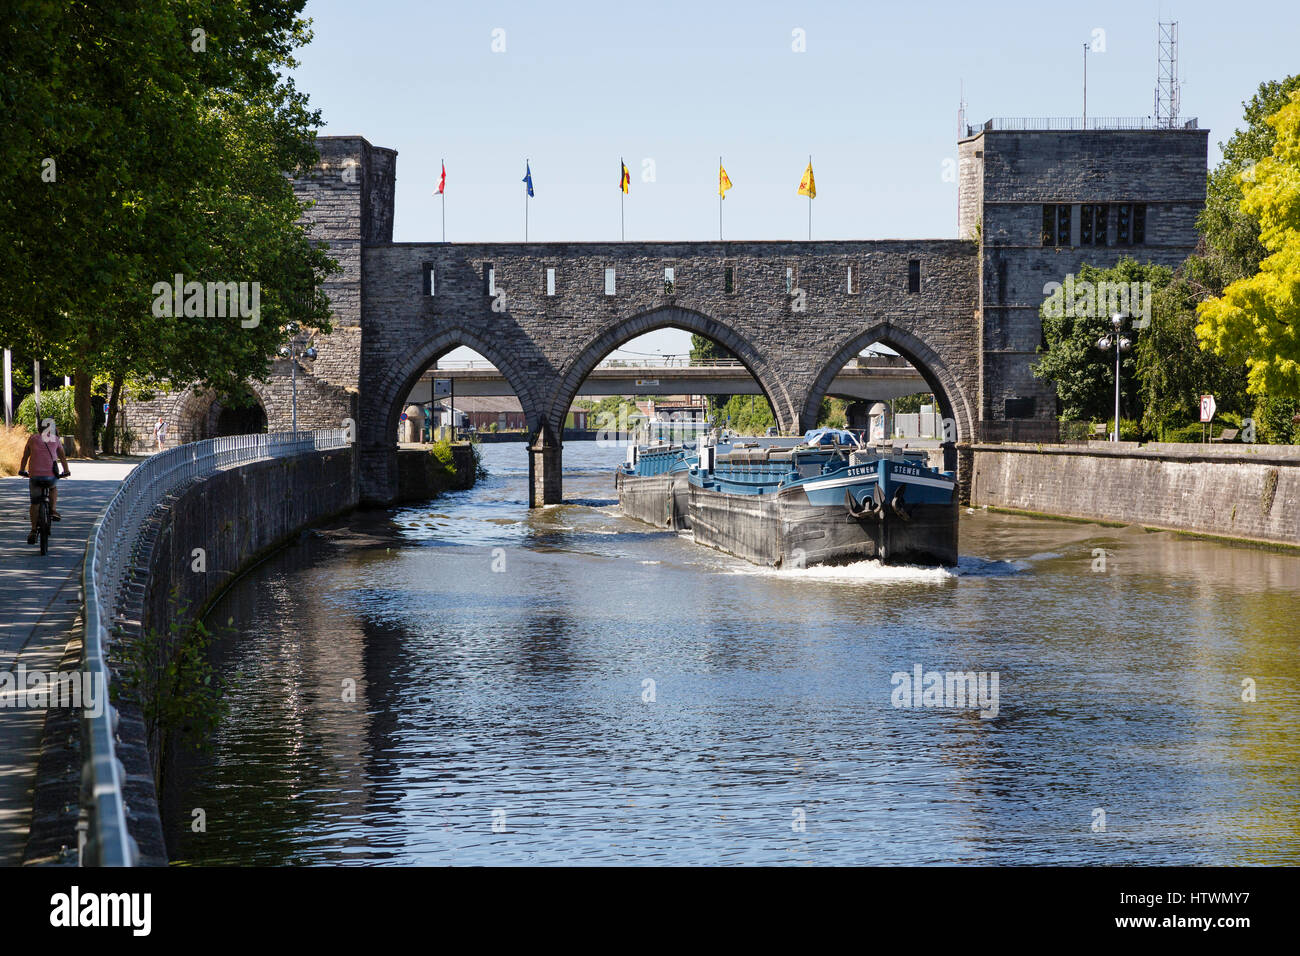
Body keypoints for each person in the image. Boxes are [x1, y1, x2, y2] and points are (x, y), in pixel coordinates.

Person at [18, 424, 71, 545]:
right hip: (50, 476)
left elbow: (25, 456)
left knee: (35, 502)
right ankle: (52, 510)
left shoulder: (32, 438)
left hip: (35, 476)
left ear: (38, 429)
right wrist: (66, 471)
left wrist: (22, 470)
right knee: (53, 487)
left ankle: (32, 531)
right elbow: (62, 457)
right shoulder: (55, 439)